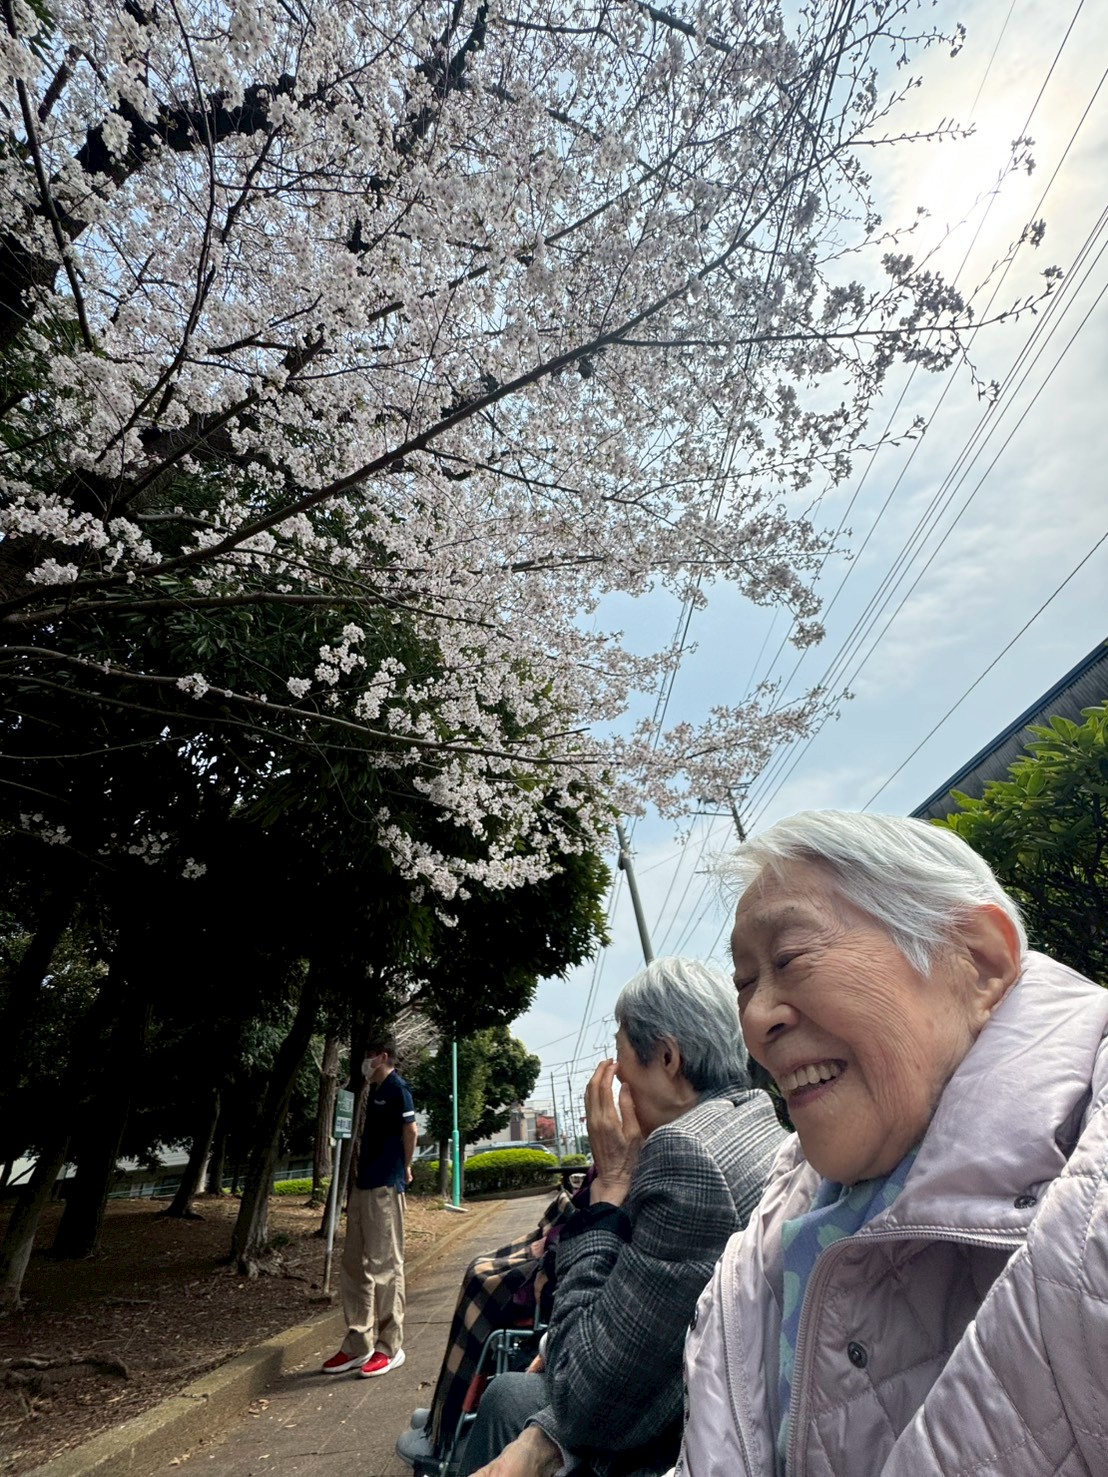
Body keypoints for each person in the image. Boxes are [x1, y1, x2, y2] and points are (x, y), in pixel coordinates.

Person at [679, 809, 1108, 1476]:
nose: (756, 1021)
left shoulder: (1092, 1195)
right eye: (744, 985)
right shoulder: (772, 1225)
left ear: (980, 961)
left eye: (790, 957)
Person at [458, 957, 787, 1477]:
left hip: (678, 1435)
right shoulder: (754, 1115)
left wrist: (609, 1188)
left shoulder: (686, 1155)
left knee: (506, 1397)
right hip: (691, 1390)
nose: (615, 1083)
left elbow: (584, 1392)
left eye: (619, 1057)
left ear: (667, 1056)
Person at [322, 1034, 417, 1378]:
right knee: (353, 1264)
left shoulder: (397, 1088)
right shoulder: (373, 1091)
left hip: (385, 1187)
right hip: (362, 1186)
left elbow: (411, 1129)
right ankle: (357, 1343)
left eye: (369, 1055)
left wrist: (406, 1167)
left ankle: (390, 1347)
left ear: (383, 1056)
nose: (365, 1060)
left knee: (386, 1265)